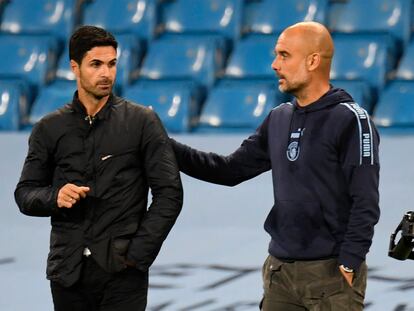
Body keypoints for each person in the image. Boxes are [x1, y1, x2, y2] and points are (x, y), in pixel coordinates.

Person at [171, 22, 380, 310]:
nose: (274, 64)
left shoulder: (351, 120)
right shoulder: (278, 117)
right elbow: (228, 170)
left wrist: (350, 260)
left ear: (313, 61)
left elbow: (365, 200)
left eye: (284, 55)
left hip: (332, 277)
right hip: (280, 274)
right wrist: (165, 146)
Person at [14, 25, 183, 311]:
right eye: (96, 64)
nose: (106, 73)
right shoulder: (49, 128)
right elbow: (25, 193)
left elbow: (169, 193)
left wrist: (138, 255)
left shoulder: (143, 122)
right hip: (67, 272)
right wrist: (54, 197)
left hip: (123, 273)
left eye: (112, 63)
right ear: (74, 67)